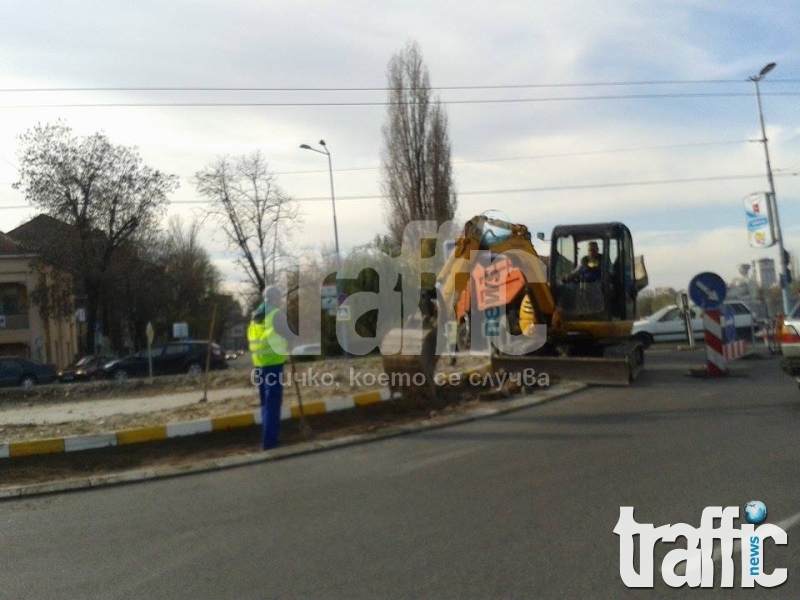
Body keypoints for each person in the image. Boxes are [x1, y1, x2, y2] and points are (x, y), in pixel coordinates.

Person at [248, 285, 290, 449]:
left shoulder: (255, 316)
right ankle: (270, 441)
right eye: (279, 298)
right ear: (275, 299)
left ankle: (268, 436)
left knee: (265, 403)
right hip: (273, 364)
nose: (280, 301)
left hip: (259, 364)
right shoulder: (276, 314)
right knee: (273, 403)